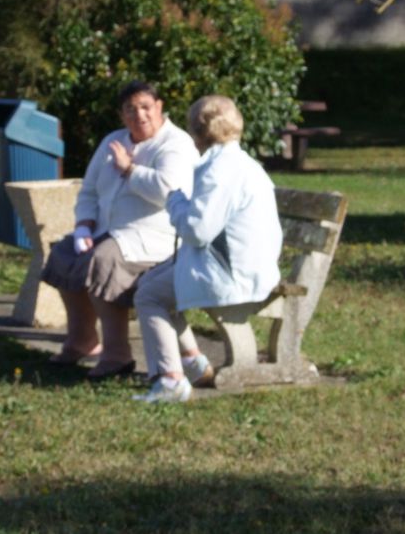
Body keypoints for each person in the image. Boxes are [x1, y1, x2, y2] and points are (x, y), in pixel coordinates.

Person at [41, 80, 198, 379]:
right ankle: (82, 340)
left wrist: (130, 170)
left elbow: (169, 191)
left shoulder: (176, 144)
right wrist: (84, 225)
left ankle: (117, 356)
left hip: (156, 237)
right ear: (121, 114)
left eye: (145, 107)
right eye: (130, 109)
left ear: (159, 107)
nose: (139, 115)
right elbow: (89, 191)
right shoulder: (112, 141)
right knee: (63, 254)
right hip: (107, 230)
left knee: (104, 260)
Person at [133, 95, 283, 403]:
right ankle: (193, 363)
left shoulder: (220, 171)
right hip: (243, 265)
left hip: (233, 275)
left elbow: (196, 230)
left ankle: (171, 382)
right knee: (150, 285)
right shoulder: (238, 163)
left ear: (197, 132)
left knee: (149, 295)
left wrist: (174, 201)